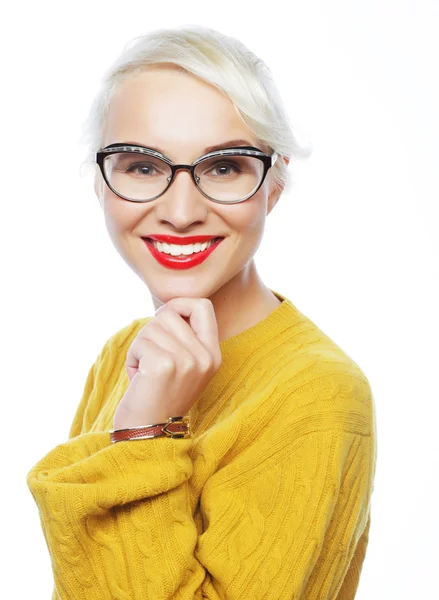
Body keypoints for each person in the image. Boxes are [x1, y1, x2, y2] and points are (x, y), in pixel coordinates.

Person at [26, 24, 377, 600]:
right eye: (142, 166)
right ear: (100, 181)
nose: (182, 211)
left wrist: (146, 434)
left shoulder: (319, 393)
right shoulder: (126, 351)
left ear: (274, 184)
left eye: (223, 167)